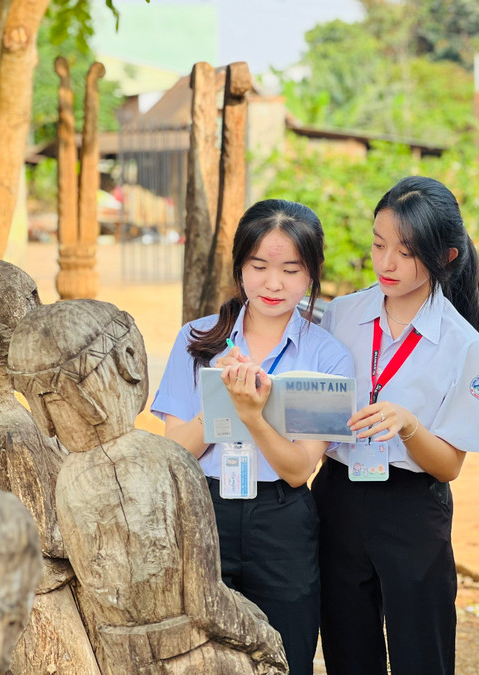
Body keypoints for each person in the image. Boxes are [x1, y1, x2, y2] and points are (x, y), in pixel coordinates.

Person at [151, 199, 353, 675]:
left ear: (312, 274)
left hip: (282, 520)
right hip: (202, 511)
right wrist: (219, 402)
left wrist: (253, 415)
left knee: (285, 655)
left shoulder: (328, 356)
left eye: (291, 270)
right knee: (200, 657)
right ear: (240, 267)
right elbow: (174, 453)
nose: (273, 283)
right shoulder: (196, 339)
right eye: (259, 267)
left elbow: (299, 469)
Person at [311, 175, 479, 675]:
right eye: (378, 244)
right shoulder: (341, 315)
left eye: (406, 252)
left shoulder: (463, 345)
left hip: (411, 509)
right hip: (337, 496)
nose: (386, 262)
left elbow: (448, 466)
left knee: (422, 654)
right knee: (348, 652)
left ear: (446, 256)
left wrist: (409, 425)